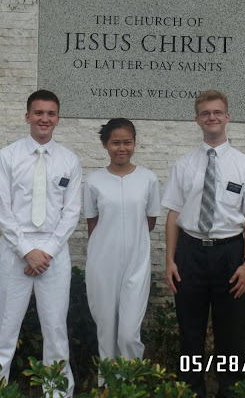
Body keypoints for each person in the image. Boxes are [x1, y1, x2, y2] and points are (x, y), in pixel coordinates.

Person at [162, 90, 245, 398]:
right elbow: (173, 215)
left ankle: (230, 390)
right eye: (206, 113)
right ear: (197, 120)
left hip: (230, 254)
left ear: (227, 117)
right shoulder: (184, 165)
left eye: (217, 112)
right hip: (190, 254)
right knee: (190, 331)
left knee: (231, 333)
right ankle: (191, 390)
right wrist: (170, 261)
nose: (212, 117)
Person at [0, 89, 81, 398]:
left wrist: (46, 252)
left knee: (55, 328)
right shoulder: (7, 156)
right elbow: (2, 209)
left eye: (51, 113)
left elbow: (71, 213)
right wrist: (27, 251)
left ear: (58, 119)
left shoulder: (69, 160)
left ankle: (57, 392)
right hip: (15, 249)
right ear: (27, 116)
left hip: (54, 253)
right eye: (39, 113)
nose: (45, 119)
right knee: (5, 327)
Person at [83, 118, 160, 368]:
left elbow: (149, 221)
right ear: (105, 145)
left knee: (128, 334)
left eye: (127, 142)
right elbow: (93, 223)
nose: (122, 148)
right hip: (102, 263)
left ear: (135, 143)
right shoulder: (94, 180)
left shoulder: (148, 179)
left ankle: (130, 381)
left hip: (136, 263)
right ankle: (107, 382)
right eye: (115, 143)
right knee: (106, 330)